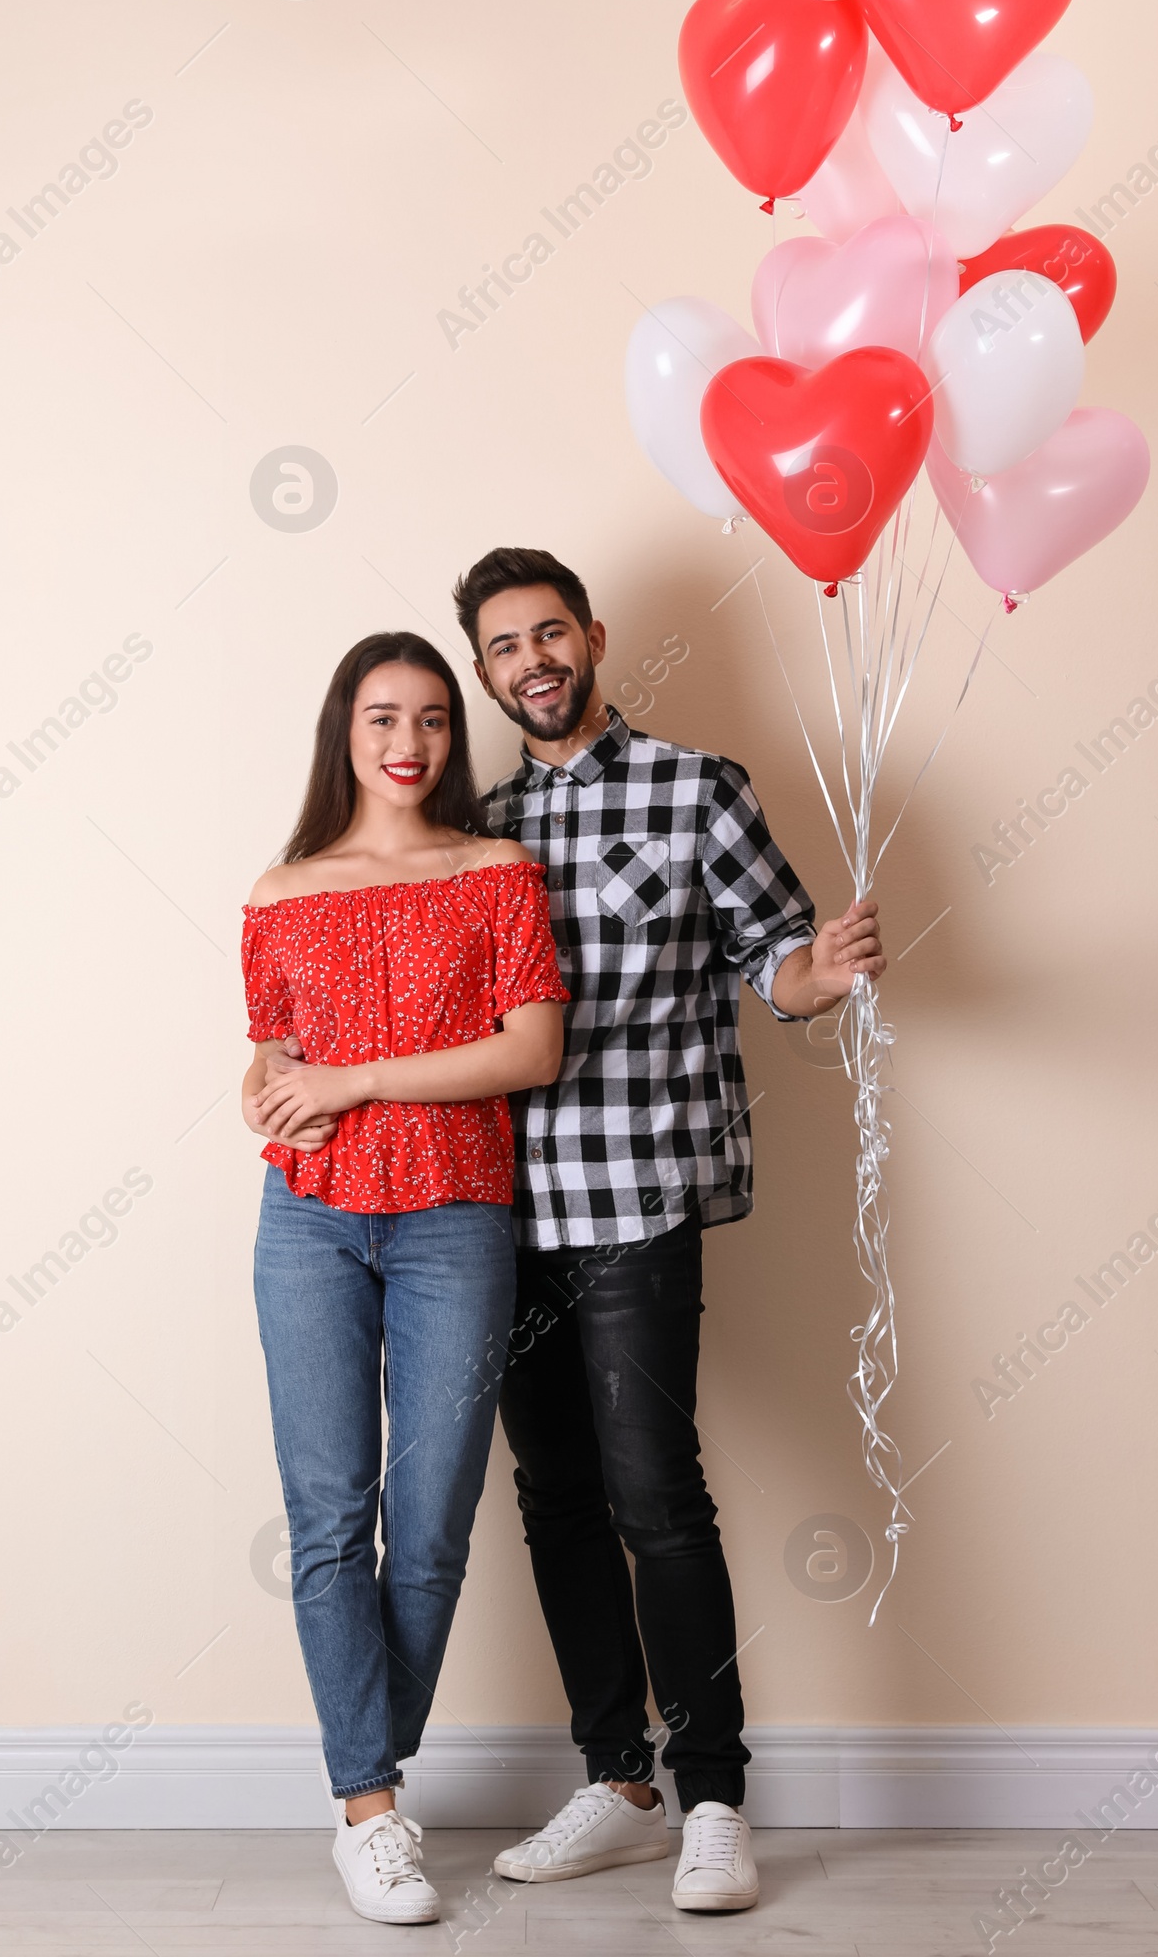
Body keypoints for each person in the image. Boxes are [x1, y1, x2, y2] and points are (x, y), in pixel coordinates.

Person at [451, 547, 885, 1915]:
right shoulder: (482, 826)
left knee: (657, 1496)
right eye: (502, 646)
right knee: (555, 1500)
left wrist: (819, 973)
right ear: (484, 672)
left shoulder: (700, 788)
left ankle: (713, 1798)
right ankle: (614, 1774)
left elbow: (778, 958)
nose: (531, 661)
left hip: (638, 1199)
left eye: (547, 633)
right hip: (503, 1214)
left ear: (590, 636)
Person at [241, 629, 569, 1926]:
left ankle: (365, 1773)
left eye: (432, 718)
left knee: (428, 1524)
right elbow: (268, 1061)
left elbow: (530, 1051)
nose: (409, 742)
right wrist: (271, 1099)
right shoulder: (278, 890)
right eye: (383, 718)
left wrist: (357, 1079)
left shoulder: (495, 871)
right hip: (308, 1219)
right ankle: (370, 1812)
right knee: (328, 1518)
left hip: (453, 1220)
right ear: (346, 731)